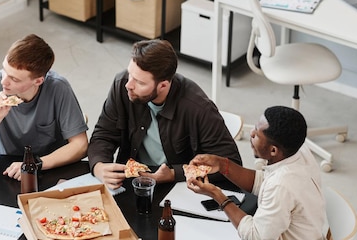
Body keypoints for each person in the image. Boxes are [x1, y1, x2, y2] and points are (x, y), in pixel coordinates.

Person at [186, 106, 331, 240]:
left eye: (257, 135)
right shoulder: (298, 153)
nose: (251, 134)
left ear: (273, 150)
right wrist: (223, 164)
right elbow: (265, 182)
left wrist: (218, 196)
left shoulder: (283, 184)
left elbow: (259, 238)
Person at [87, 39, 241, 190]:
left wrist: (175, 174)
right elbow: (104, 134)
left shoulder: (199, 108)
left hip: (179, 188)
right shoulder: (122, 85)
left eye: (140, 82)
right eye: (130, 74)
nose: (129, 85)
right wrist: (99, 167)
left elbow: (231, 164)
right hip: (131, 182)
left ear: (163, 85)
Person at [0, 34, 88, 178]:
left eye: (14, 79)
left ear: (38, 81)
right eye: (4, 70)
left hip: (50, 165)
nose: (3, 82)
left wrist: (35, 164)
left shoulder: (59, 88)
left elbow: (80, 146)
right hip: (9, 166)